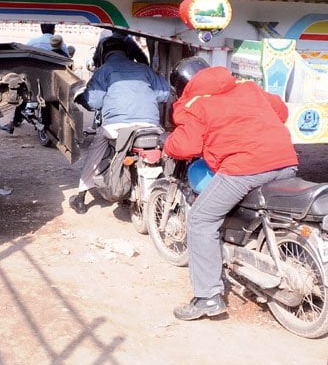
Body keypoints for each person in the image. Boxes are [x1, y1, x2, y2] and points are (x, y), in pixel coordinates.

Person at [164, 57, 299, 320]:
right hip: (286, 161)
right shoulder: (247, 87)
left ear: (182, 87)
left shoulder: (195, 103)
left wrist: (167, 143)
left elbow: (187, 146)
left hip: (245, 169)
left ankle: (208, 297)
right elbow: (281, 112)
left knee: (202, 219)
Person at [69, 35, 170, 214]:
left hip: (116, 128)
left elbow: (93, 102)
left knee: (96, 153)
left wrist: (80, 97)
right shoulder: (144, 69)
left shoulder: (104, 70)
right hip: (150, 127)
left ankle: (80, 196)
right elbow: (163, 94)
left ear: (104, 53)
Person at [0, 24, 71, 134]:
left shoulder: (33, 41)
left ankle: (14, 122)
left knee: (23, 94)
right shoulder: (62, 45)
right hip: (53, 81)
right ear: (54, 29)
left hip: (35, 79)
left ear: (41, 29)